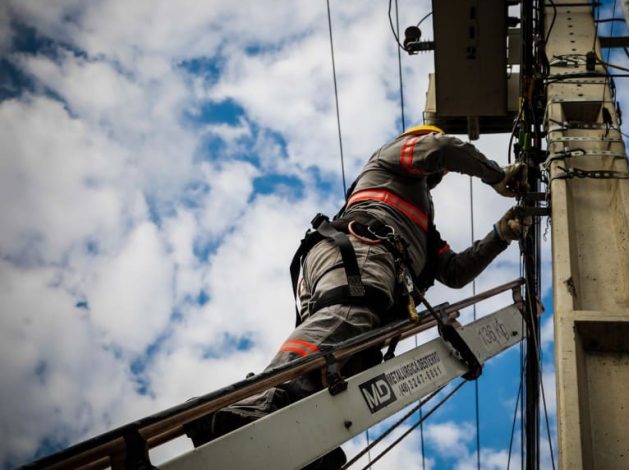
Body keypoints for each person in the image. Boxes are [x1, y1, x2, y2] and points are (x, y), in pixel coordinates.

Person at [185, 125, 530, 466]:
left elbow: (454, 272)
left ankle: (304, 439)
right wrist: (497, 175)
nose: (437, 167)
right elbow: (442, 148)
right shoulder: (390, 157)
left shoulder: (423, 228)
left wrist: (501, 234)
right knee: (350, 316)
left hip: (368, 264)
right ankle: (255, 405)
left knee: (351, 363)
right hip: (359, 253)